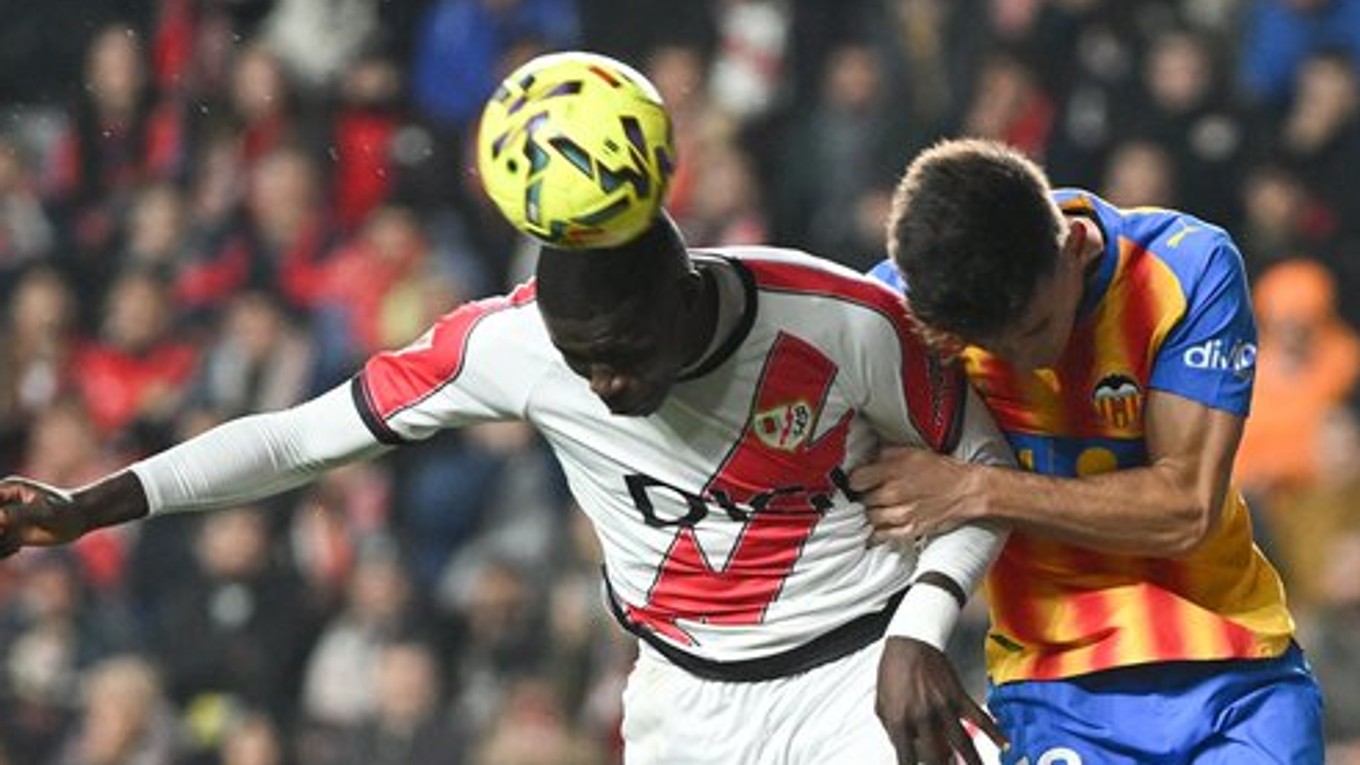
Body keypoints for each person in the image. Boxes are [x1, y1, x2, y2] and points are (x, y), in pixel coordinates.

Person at [2, 209, 1013, 764]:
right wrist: (96, 504)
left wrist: (924, 625)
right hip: (682, 705)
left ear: (681, 291)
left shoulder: (832, 322)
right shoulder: (510, 343)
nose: (606, 386)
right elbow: (297, 438)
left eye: (621, 354)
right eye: (582, 364)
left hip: (864, 671)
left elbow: (985, 466)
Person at [858, 138, 1324, 764]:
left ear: (1074, 248)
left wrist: (977, 487)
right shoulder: (899, 312)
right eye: (991, 348)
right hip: (1052, 690)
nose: (1023, 362)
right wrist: (913, 636)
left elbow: (1185, 507)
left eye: (1034, 330)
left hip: (1234, 671)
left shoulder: (1186, 268)